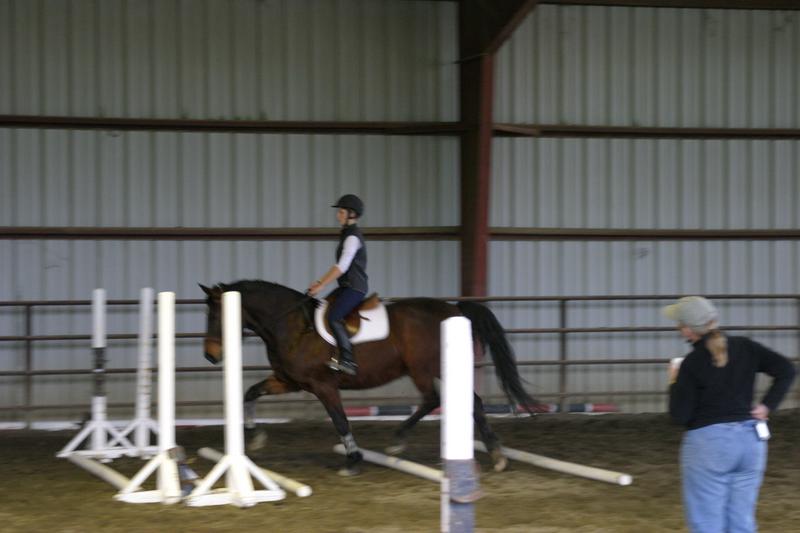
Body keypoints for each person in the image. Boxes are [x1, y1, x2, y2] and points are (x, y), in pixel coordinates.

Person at [664, 296, 796, 533]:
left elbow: (679, 416)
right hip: (751, 442)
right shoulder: (745, 346)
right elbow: (787, 370)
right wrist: (767, 406)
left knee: (707, 523)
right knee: (742, 521)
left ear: (687, 330)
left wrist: (674, 382)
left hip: (710, 444)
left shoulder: (691, 363)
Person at [307, 194, 368, 376]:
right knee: (323, 307)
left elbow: (341, 267)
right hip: (346, 287)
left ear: (351, 214)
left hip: (355, 288)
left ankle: (348, 360)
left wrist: (321, 284)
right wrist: (320, 283)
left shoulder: (352, 238)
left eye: (341, 212)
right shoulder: (347, 235)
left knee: (333, 317)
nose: (338, 215)